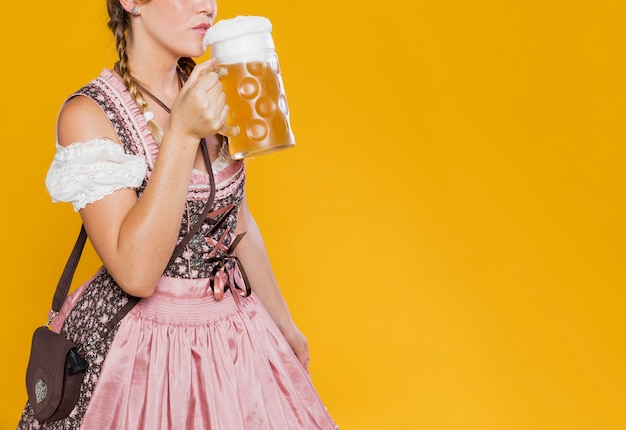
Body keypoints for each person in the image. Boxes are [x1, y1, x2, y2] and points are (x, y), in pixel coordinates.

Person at [18, 0, 337, 428]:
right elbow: (136, 273)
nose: (208, 6)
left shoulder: (214, 88)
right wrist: (183, 135)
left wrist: (286, 327)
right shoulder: (89, 115)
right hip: (139, 349)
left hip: (232, 334)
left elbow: (236, 220)